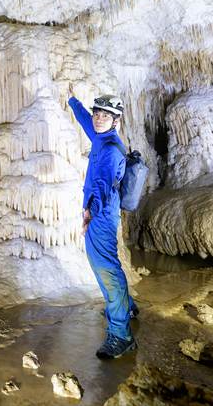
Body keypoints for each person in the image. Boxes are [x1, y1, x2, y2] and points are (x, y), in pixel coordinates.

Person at [68, 93, 139, 359]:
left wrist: (88, 216)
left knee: (105, 267)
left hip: (102, 215)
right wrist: (73, 100)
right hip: (101, 211)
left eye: (105, 115)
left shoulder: (109, 149)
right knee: (105, 265)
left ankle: (121, 335)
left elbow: (100, 188)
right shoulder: (100, 136)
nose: (98, 118)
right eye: (97, 113)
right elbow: (86, 122)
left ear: (116, 121)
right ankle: (127, 307)